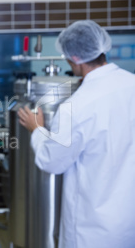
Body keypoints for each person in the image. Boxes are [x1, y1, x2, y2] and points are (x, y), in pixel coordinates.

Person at [17, 20, 135, 248]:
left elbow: (52, 161)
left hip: (92, 230)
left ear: (74, 59)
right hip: (129, 224)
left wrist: (38, 129)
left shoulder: (78, 105)